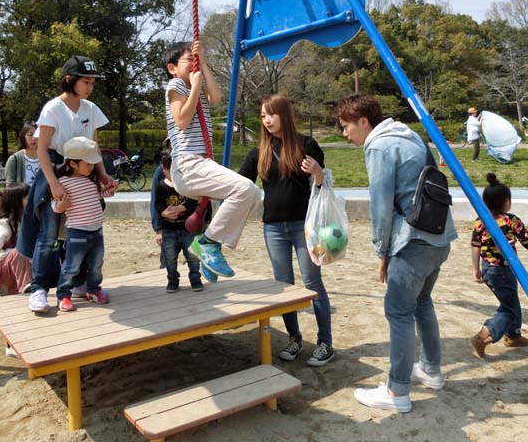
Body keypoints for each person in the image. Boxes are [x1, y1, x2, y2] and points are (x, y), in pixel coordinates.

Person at [335, 94, 457, 414]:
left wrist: (382, 251)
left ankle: (396, 391)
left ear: (364, 121)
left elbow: (381, 205)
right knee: (421, 303)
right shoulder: (410, 135)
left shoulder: (378, 146)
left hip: (412, 240)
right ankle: (430, 369)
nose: (344, 133)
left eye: (346, 126)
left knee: (399, 311)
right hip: (439, 235)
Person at [239, 94, 334, 366]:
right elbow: (240, 184)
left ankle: (325, 342)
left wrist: (317, 172)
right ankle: (294, 339)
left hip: (304, 227)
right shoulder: (259, 152)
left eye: (271, 114)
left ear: (284, 114)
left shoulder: (307, 145)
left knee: (312, 282)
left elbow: (321, 188)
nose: (267, 120)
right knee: (283, 286)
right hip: (273, 229)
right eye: (262, 116)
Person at [17, 55, 116, 314]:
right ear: (69, 80)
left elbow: (94, 148)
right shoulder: (52, 108)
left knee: (85, 227)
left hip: (84, 172)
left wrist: (102, 175)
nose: (90, 87)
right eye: (86, 81)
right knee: (49, 234)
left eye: (93, 83)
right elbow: (41, 150)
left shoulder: (91, 109)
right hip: (55, 170)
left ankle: (79, 283)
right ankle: (39, 288)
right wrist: (53, 184)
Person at [164, 41, 260, 280]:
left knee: (255, 196)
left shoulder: (196, 84)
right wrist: (195, 86)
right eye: (190, 59)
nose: (194, 63)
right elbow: (182, 121)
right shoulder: (176, 85)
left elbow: (216, 98)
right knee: (245, 188)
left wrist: (203, 64)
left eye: (196, 59)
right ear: (172, 68)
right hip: (187, 164)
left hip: (200, 164)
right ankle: (209, 242)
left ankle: (209, 249)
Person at [470, 173, 528, 358]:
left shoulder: (480, 222)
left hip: (487, 269)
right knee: (509, 308)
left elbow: (475, 246)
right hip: (502, 270)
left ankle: (513, 336)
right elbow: (526, 240)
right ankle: (485, 334)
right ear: (507, 202)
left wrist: (476, 269)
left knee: (511, 301)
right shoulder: (510, 220)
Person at [52, 137, 112, 312]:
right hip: (77, 233)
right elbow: (55, 205)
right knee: (71, 266)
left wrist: (108, 191)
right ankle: (63, 295)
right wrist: (59, 206)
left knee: (96, 265)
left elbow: (97, 197)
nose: (92, 167)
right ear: (73, 164)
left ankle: (93, 289)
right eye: (88, 163)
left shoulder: (90, 180)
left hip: (96, 231)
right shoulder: (63, 183)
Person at [155, 151, 202, 293]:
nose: (175, 175)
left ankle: (195, 279)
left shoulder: (186, 184)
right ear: (164, 170)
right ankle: (172, 280)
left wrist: (181, 207)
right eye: (171, 171)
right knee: (170, 258)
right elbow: (158, 205)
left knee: (193, 257)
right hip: (169, 229)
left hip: (188, 229)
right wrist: (164, 213)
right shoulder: (161, 186)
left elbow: (194, 200)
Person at [0, 184, 33, 299]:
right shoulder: (4, 225)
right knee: (20, 252)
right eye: (27, 197)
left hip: (21, 267)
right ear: (16, 201)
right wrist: (16, 252)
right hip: (1, 271)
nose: (31, 199)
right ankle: (26, 286)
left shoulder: (27, 220)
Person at [5, 121, 41, 187]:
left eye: (37, 135)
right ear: (23, 136)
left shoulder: (47, 157)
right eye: (30, 134)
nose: (33, 138)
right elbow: (10, 187)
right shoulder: (14, 159)